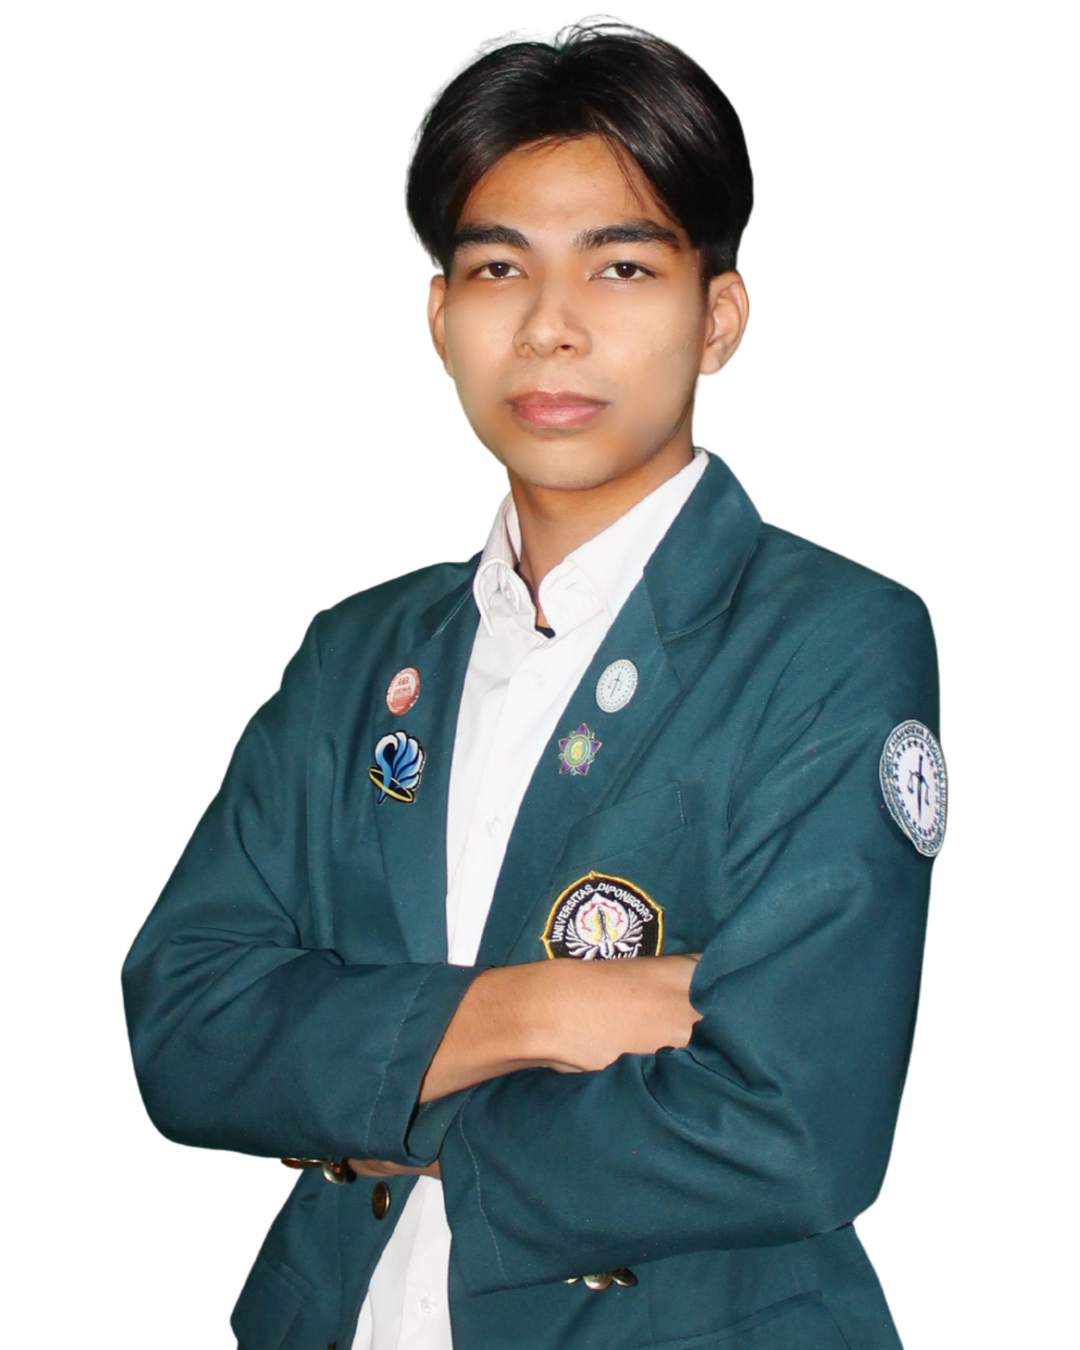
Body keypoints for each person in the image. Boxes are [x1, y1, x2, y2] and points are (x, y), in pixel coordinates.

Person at [122, 19, 945, 1349]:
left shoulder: (834, 638)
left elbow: (796, 1124)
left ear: (719, 319)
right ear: (439, 320)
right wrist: (546, 1008)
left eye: (621, 266)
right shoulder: (356, 650)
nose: (551, 327)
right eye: (499, 267)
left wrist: (373, 1103)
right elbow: (185, 1028)